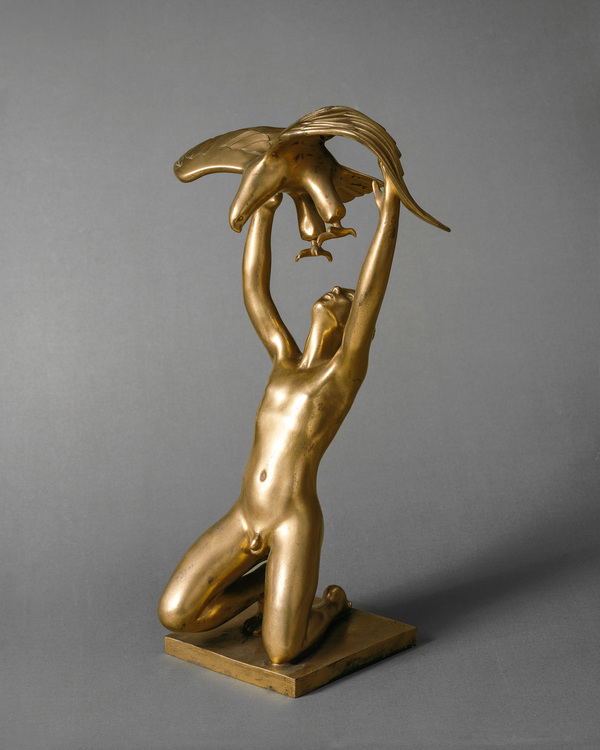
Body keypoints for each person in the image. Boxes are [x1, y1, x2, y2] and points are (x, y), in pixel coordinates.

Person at [158, 165, 401, 664]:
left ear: (352, 326)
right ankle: (269, 584)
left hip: (291, 521)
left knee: (282, 652)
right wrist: (264, 210)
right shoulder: (284, 360)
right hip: (245, 513)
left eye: (345, 296)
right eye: (337, 290)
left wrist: (388, 216)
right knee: (176, 615)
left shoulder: (341, 376)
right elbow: (255, 290)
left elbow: (371, 294)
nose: (336, 291)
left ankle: (329, 607)